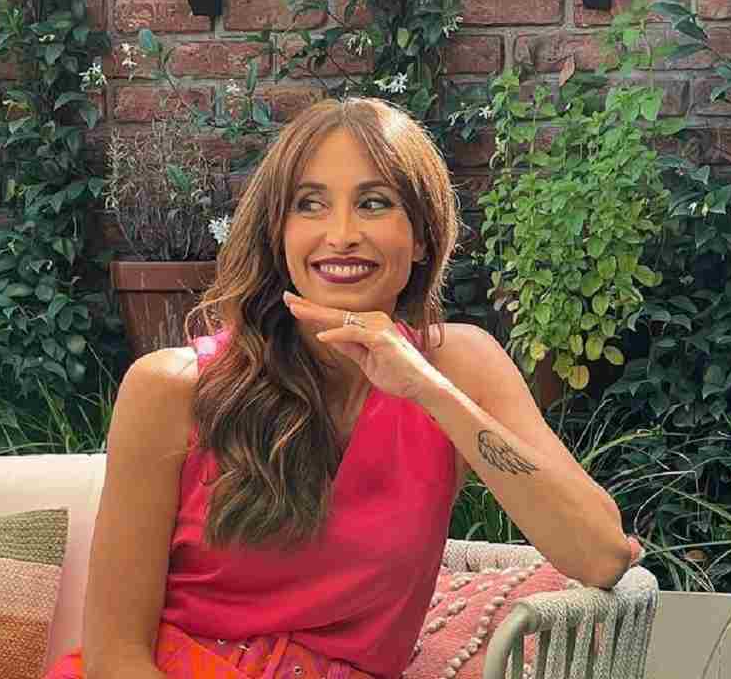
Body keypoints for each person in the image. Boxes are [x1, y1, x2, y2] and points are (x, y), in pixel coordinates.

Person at [45, 98, 634, 679]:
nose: (342, 234)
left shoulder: (459, 366)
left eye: (374, 203)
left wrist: (427, 389)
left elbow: (601, 555)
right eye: (310, 205)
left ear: (422, 236)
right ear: (279, 234)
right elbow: (115, 658)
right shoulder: (172, 388)